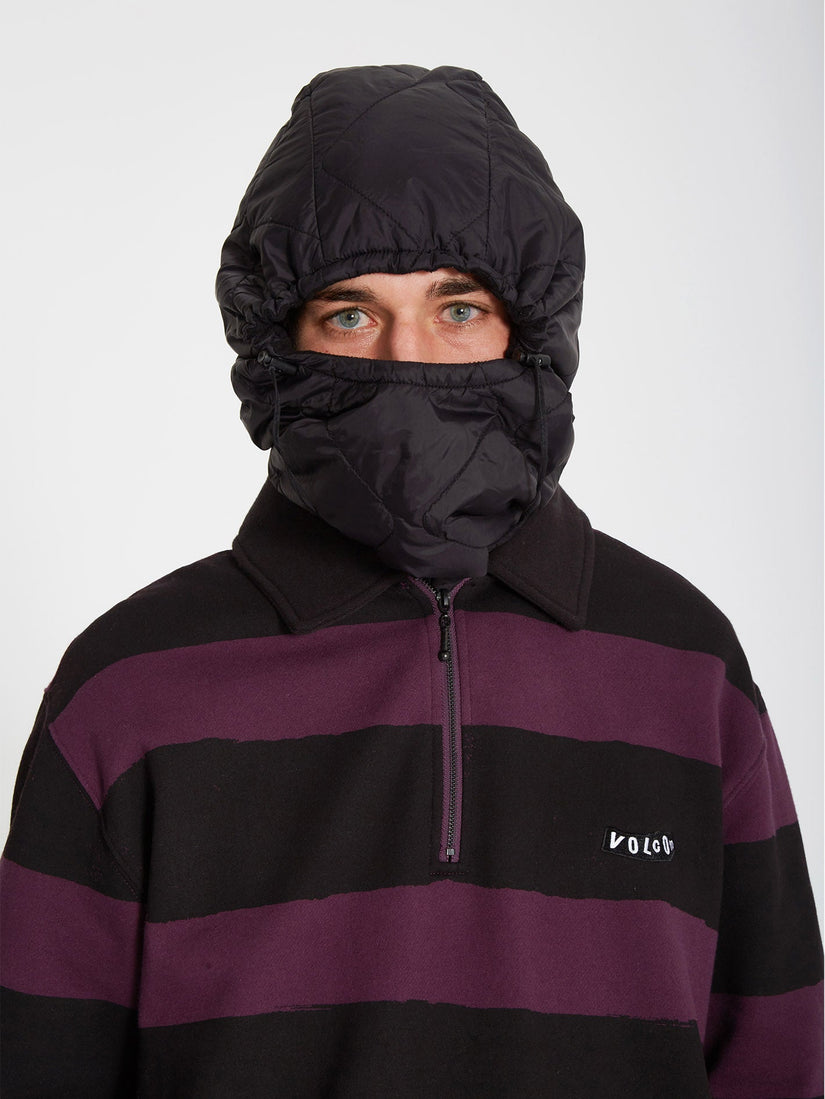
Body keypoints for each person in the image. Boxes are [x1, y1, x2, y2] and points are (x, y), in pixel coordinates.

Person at [0, 64, 821, 1097]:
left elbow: (779, 1062)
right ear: (274, 341)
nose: (409, 358)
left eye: (457, 308)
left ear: (532, 327)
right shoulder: (129, 689)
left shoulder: (685, 669)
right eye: (350, 316)